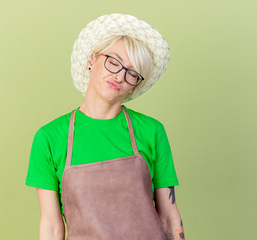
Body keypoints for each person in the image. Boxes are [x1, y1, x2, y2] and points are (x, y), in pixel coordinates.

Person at [25, 13, 185, 240]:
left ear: (134, 87)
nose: (120, 76)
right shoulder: (50, 138)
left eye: (132, 73)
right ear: (92, 60)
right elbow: (51, 226)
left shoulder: (152, 131)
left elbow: (169, 217)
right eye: (114, 62)